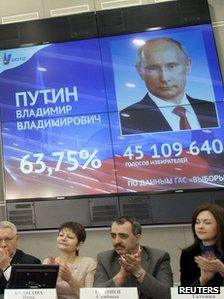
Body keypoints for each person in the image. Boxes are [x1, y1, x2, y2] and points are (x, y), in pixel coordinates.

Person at [120, 37, 218, 135]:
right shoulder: (126, 120)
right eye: (153, 68)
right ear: (140, 72)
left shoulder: (213, 109)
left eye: (172, 66)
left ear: (187, 65)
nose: (164, 78)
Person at [94, 216, 173, 299]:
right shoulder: (104, 259)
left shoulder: (159, 257)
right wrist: (121, 276)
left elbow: (167, 295)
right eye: (113, 236)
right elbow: (96, 295)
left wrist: (138, 271)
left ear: (137, 238)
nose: (117, 241)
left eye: (123, 236)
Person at [43, 221, 96, 299]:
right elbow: (44, 294)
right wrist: (50, 276)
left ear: (79, 245)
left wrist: (70, 279)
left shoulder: (88, 263)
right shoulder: (48, 262)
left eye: (70, 237)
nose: (63, 239)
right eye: (61, 235)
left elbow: (90, 296)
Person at [180, 204, 224, 286]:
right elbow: (184, 292)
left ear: (220, 225)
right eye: (197, 222)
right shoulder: (188, 254)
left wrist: (222, 270)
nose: (200, 227)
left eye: (207, 223)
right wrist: (202, 280)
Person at [0, 220, 41, 293]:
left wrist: (6, 267)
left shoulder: (31, 263)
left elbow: (25, 292)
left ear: (17, 239)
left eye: (7, 239)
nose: (3, 245)